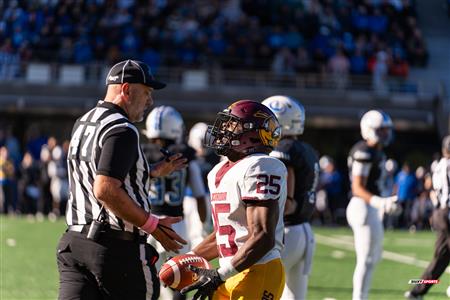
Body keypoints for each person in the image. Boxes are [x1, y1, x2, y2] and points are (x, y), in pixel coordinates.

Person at [56, 59, 187, 300]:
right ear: (126, 89)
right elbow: (105, 189)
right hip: (114, 248)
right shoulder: (122, 128)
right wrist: (152, 225)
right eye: (146, 92)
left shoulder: (83, 122)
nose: (150, 101)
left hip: (74, 242)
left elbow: (99, 172)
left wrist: (151, 171)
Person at [180, 100, 287, 300]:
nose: (223, 131)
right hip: (230, 269)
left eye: (231, 125)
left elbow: (263, 236)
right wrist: (187, 259)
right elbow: (225, 234)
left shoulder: (261, 165)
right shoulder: (218, 172)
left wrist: (220, 274)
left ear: (252, 134)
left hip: (258, 268)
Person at [143, 105, 207, 300]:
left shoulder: (141, 153)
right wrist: (203, 224)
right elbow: (199, 194)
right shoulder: (185, 155)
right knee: (179, 280)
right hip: (176, 225)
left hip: (146, 222)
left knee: (146, 280)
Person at [262, 95, 319, 300]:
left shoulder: (283, 149)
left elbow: (287, 202)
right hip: (304, 230)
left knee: (259, 287)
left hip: (287, 231)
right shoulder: (306, 149)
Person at [346, 109, 398, 300]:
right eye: (381, 130)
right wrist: (380, 202)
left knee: (374, 258)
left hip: (371, 207)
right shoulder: (363, 151)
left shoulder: (377, 151)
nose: (385, 134)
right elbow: (357, 187)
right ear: (369, 129)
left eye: (386, 130)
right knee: (366, 259)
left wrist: (387, 200)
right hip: (363, 206)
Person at [404, 135, 450, 300]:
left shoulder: (437, 165)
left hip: (439, 213)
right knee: (441, 258)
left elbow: (429, 185)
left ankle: (416, 291)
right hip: (447, 213)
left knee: (441, 259)